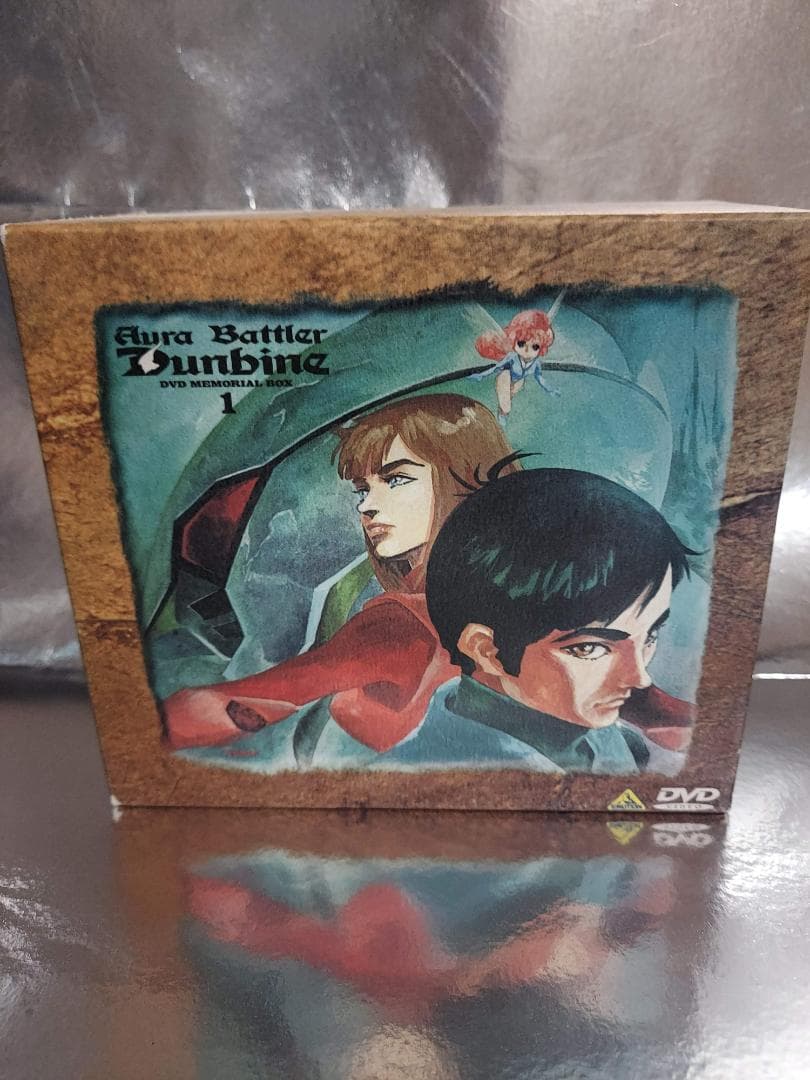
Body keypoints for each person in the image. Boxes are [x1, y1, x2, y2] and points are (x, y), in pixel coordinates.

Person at [162, 394, 522, 751]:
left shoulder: (403, 622)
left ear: (462, 480)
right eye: (363, 490)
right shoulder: (509, 601)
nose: (367, 506)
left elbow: (243, 703)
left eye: (396, 479)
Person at [367, 467, 694, 775]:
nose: (640, 678)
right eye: (590, 648)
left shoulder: (604, 737)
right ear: (487, 651)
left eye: (651, 635)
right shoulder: (427, 778)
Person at [470, 309, 561, 424]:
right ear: (514, 341)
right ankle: (503, 414)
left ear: (542, 348)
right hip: (505, 376)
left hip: (519, 381)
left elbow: (539, 378)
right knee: (506, 404)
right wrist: (481, 375)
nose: (527, 350)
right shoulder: (512, 357)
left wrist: (549, 389)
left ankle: (502, 413)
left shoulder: (535, 363)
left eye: (535, 347)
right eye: (521, 344)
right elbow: (497, 368)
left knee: (508, 399)